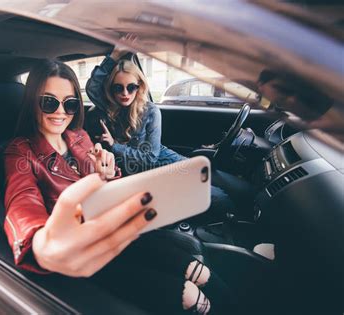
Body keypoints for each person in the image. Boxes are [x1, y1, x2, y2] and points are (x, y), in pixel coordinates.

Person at [4, 59, 235, 314]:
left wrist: (108, 173)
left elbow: (106, 187)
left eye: (69, 104)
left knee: (200, 272)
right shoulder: (20, 153)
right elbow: (21, 201)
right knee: (190, 296)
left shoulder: (78, 136)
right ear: (32, 102)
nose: (61, 112)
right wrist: (41, 242)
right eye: (49, 102)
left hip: (119, 227)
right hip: (88, 248)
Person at [85, 41, 235, 220]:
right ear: (112, 89)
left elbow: (151, 156)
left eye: (131, 87)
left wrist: (115, 145)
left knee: (214, 177)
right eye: (118, 88)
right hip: (144, 172)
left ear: (139, 86)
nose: (125, 93)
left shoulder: (150, 111)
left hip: (162, 161)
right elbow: (92, 88)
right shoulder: (111, 107)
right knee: (219, 198)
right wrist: (114, 57)